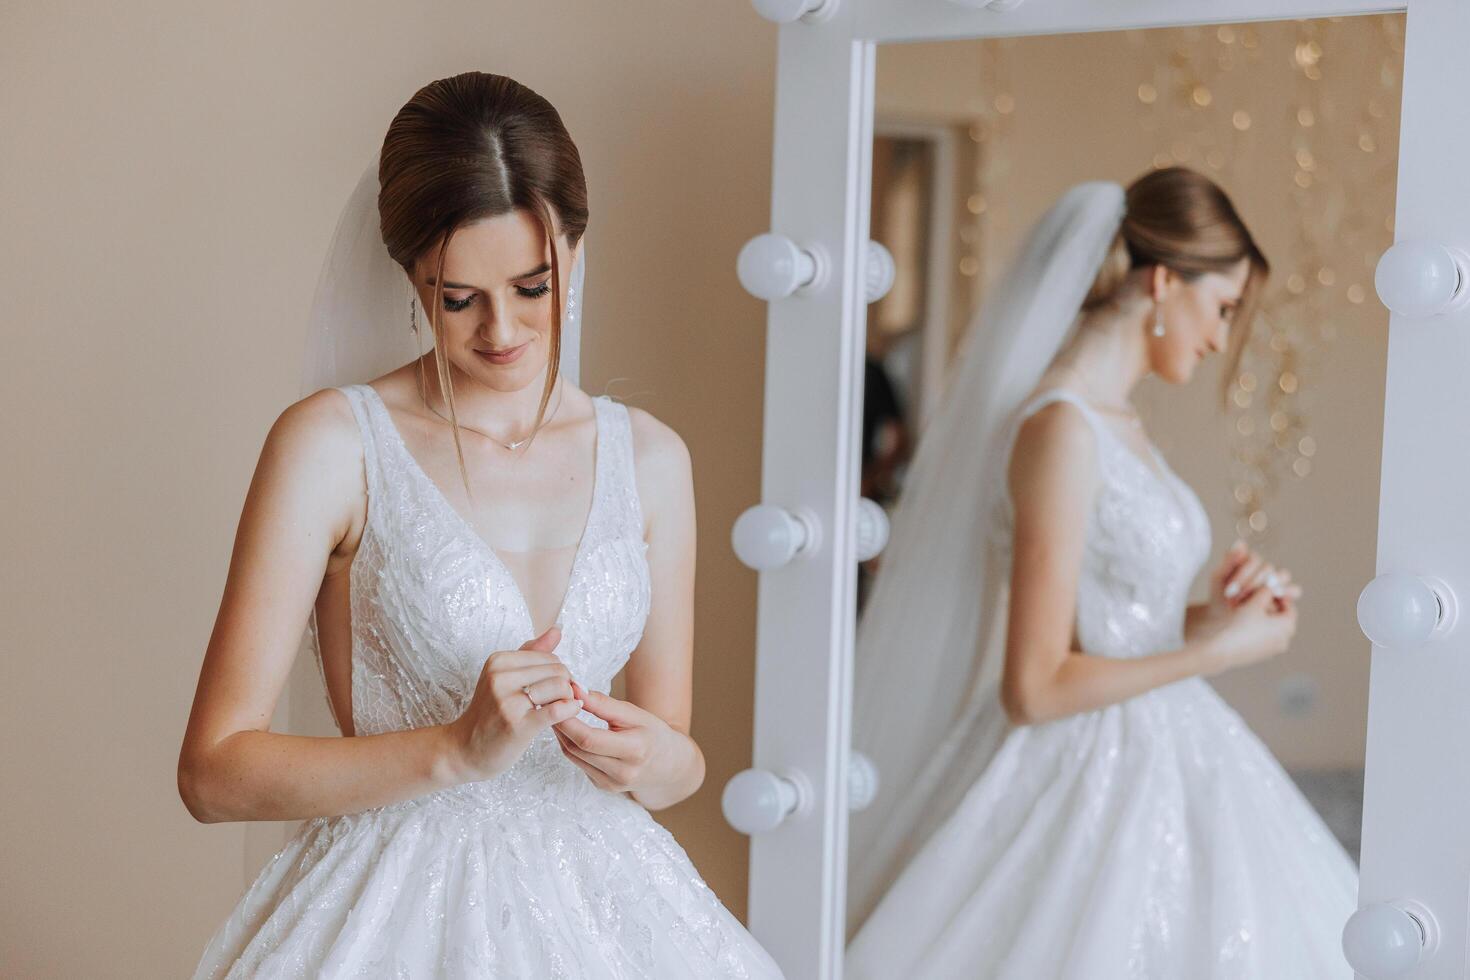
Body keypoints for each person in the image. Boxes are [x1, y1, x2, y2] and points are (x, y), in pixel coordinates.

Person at [177, 70, 785, 979]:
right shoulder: (334, 445)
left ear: (576, 246)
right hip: (393, 914)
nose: (503, 330)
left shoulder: (651, 459)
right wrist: (455, 752)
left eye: (533, 286)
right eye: (458, 297)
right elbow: (212, 773)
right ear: (411, 273)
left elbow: (673, 762)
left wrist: (650, 758)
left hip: (615, 913)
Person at [845, 169, 1358, 978]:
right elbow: (1037, 686)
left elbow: (1112, 627)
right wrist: (1221, 654)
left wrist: (1216, 620)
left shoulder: (1115, 425)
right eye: (1222, 308)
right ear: (1162, 282)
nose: (1223, 339)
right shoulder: (1060, 429)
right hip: (1080, 770)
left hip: (1166, 745)